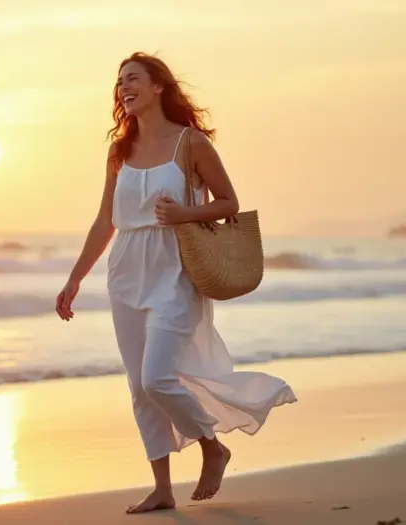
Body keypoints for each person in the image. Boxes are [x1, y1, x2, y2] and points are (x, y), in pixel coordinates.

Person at [56, 52, 296, 514]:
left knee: (157, 377)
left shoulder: (191, 143)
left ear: (158, 87)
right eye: (120, 81)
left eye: (134, 79)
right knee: (138, 386)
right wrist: (74, 279)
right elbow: (105, 222)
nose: (124, 87)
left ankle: (212, 447)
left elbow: (229, 202)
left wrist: (185, 213)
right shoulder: (118, 151)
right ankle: (162, 487)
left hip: (176, 270)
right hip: (126, 270)